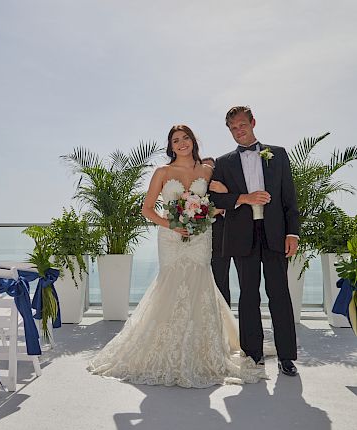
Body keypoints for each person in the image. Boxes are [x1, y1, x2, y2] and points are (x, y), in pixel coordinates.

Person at [88, 125, 267, 388]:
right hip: (171, 238)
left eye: (185, 138)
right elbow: (147, 209)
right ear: (170, 146)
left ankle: (202, 350)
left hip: (200, 237)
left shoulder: (208, 171)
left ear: (193, 141)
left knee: (199, 284)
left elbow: (218, 204)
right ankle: (164, 348)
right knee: (170, 286)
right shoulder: (163, 172)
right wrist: (172, 224)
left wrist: (206, 213)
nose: (181, 143)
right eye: (176, 140)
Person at [209, 106, 299, 376]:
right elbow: (214, 200)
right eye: (233, 128)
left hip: (274, 234)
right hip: (241, 236)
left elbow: (289, 198)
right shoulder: (223, 163)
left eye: (242, 125)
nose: (239, 131)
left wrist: (292, 233)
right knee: (248, 296)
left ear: (253, 123)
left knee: (279, 294)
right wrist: (243, 198)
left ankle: (286, 357)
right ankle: (253, 354)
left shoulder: (278, 154)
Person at [202, 156, 232, 306]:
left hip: (221, 242)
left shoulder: (223, 187)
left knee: (221, 280)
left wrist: (223, 205)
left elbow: (236, 207)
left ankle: (224, 319)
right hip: (198, 242)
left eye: (211, 169)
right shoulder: (195, 190)